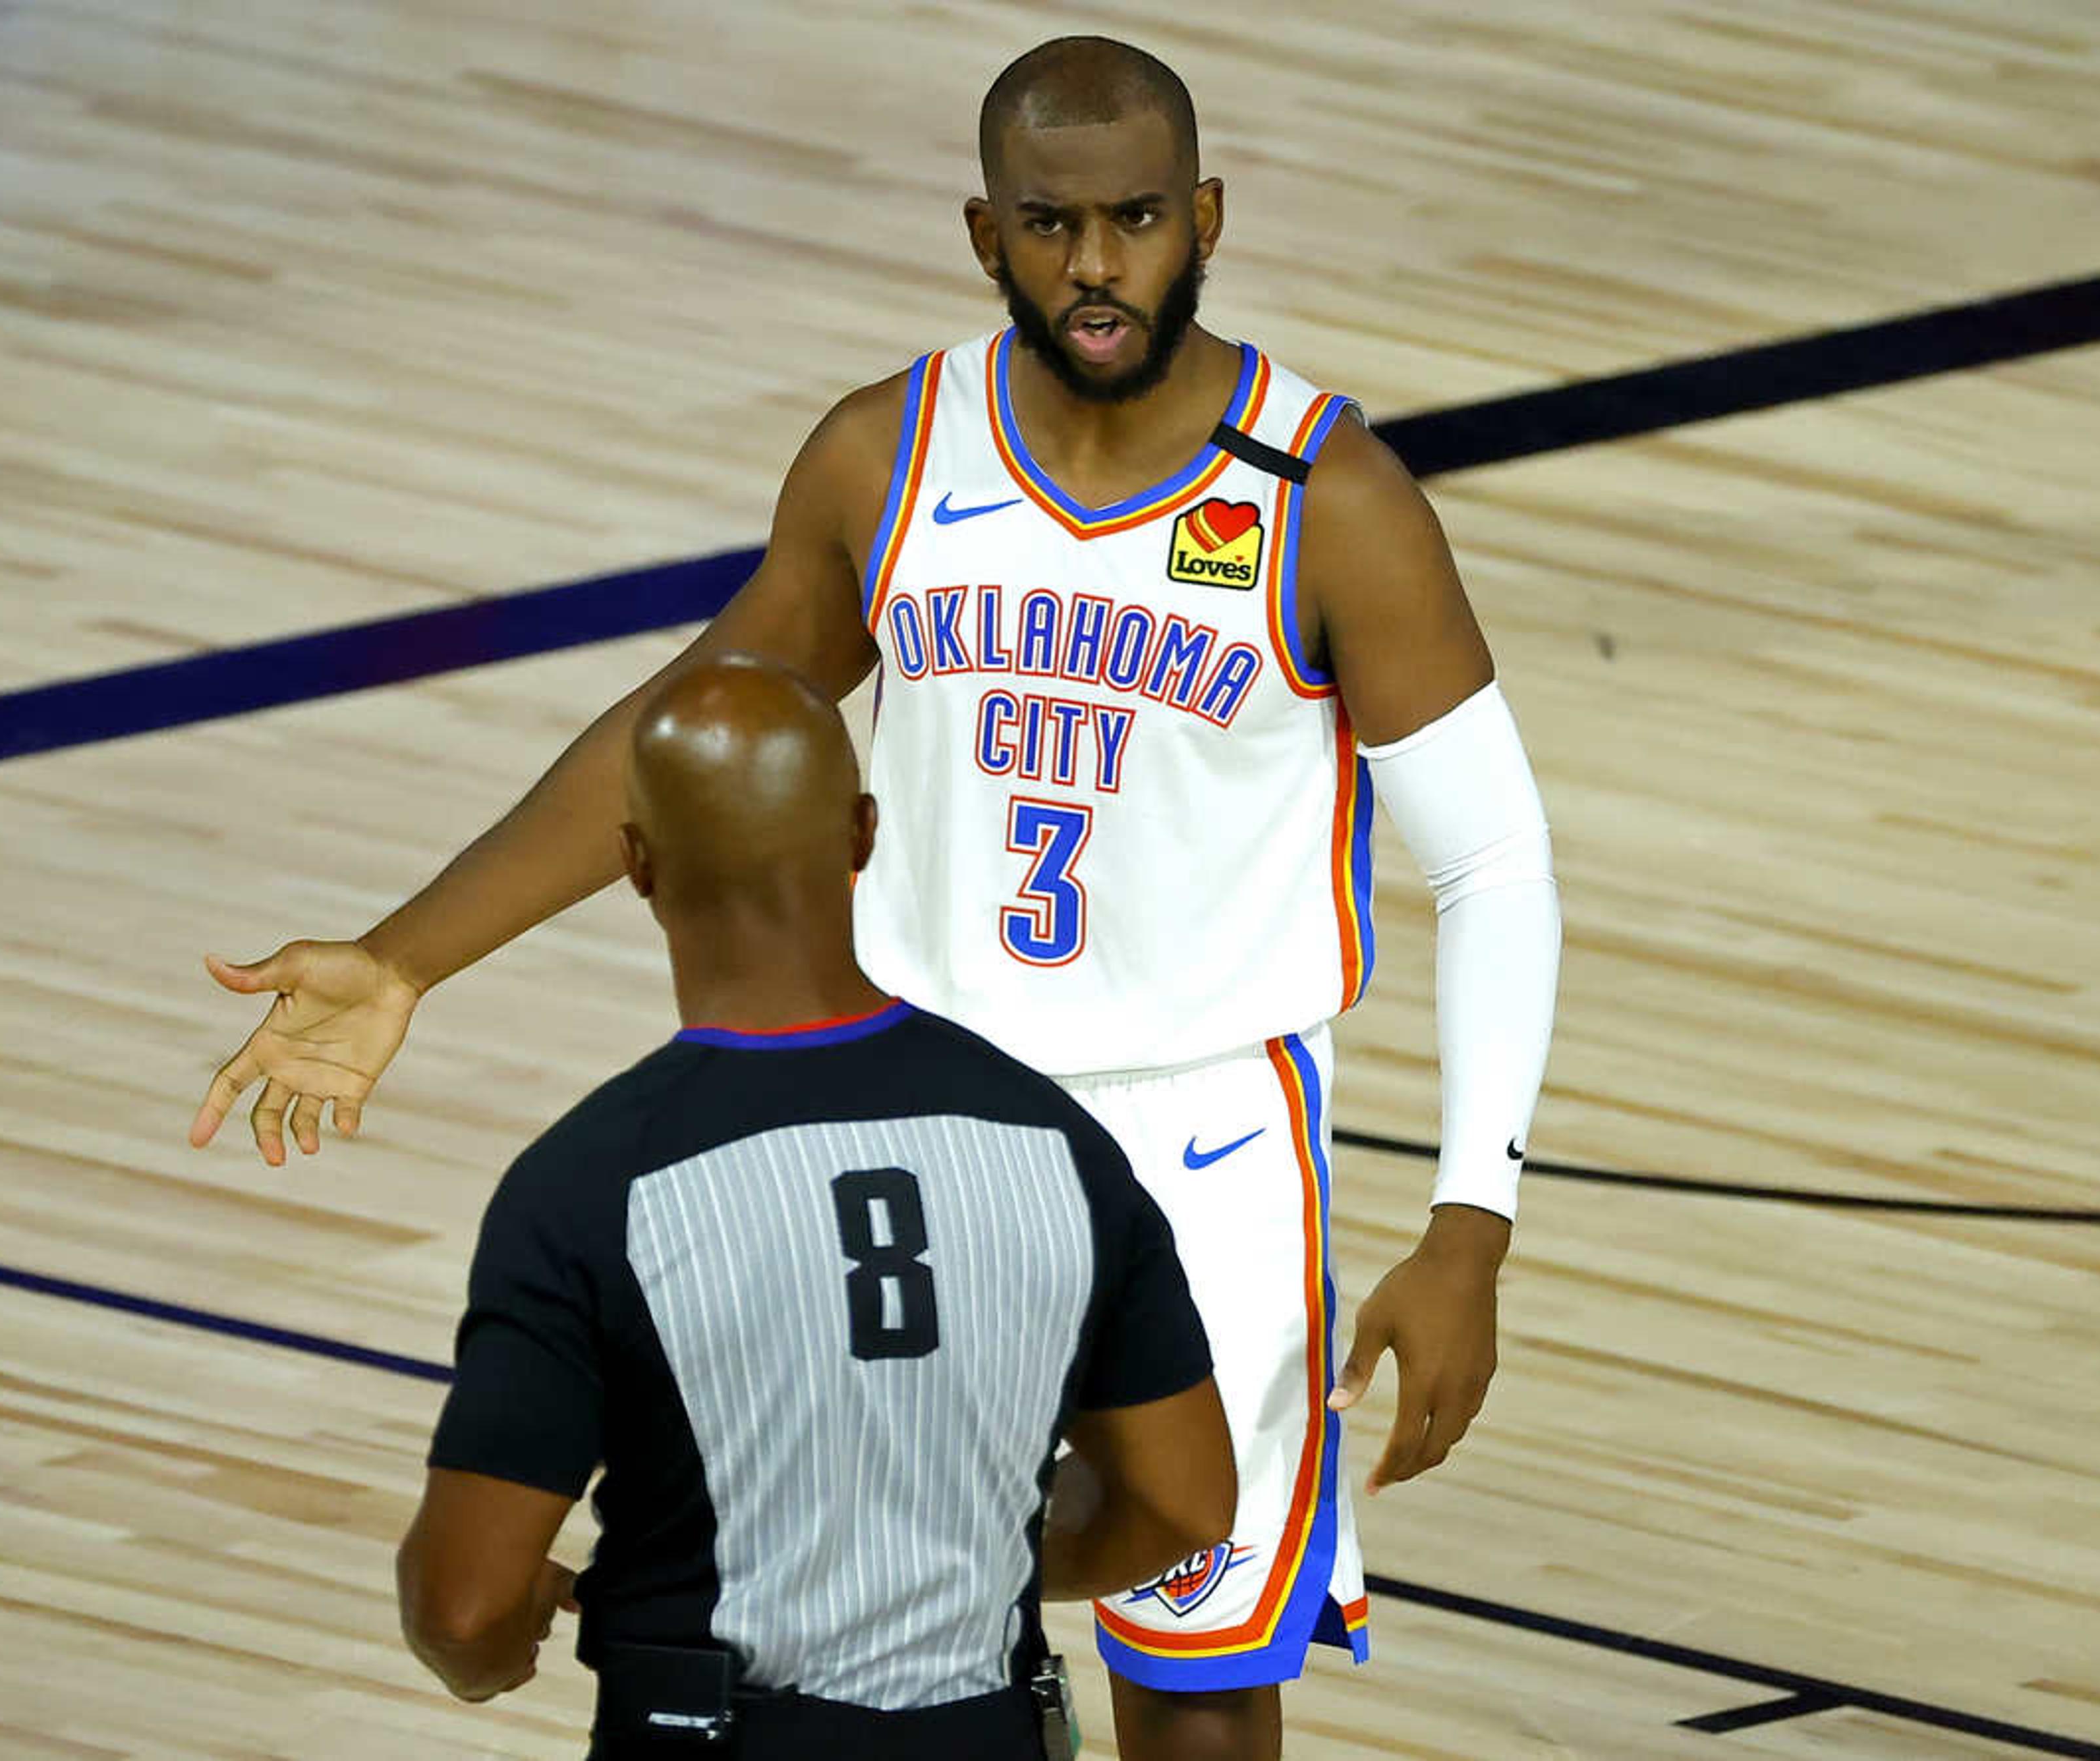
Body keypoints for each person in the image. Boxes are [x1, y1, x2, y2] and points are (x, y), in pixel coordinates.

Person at [193, 35, 1560, 1761]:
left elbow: (1495, 860)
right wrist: (406, 958)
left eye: (1136, 217)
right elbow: (688, 725)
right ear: (984, 234)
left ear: (1202, 214)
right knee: (839, 1604)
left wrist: (1470, 1223)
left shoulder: (1326, 498)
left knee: (1197, 1657)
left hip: (1202, 1123)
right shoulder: (889, 453)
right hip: (917, 1111)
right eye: (1052, 223)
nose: (1096, 263)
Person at [390, 657, 1236, 1759]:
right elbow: (1183, 1502)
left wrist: (500, 1645)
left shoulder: (587, 1186)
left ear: (636, 863)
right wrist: (981, 1551)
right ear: (862, 834)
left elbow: (463, 1607)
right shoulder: (1061, 1149)